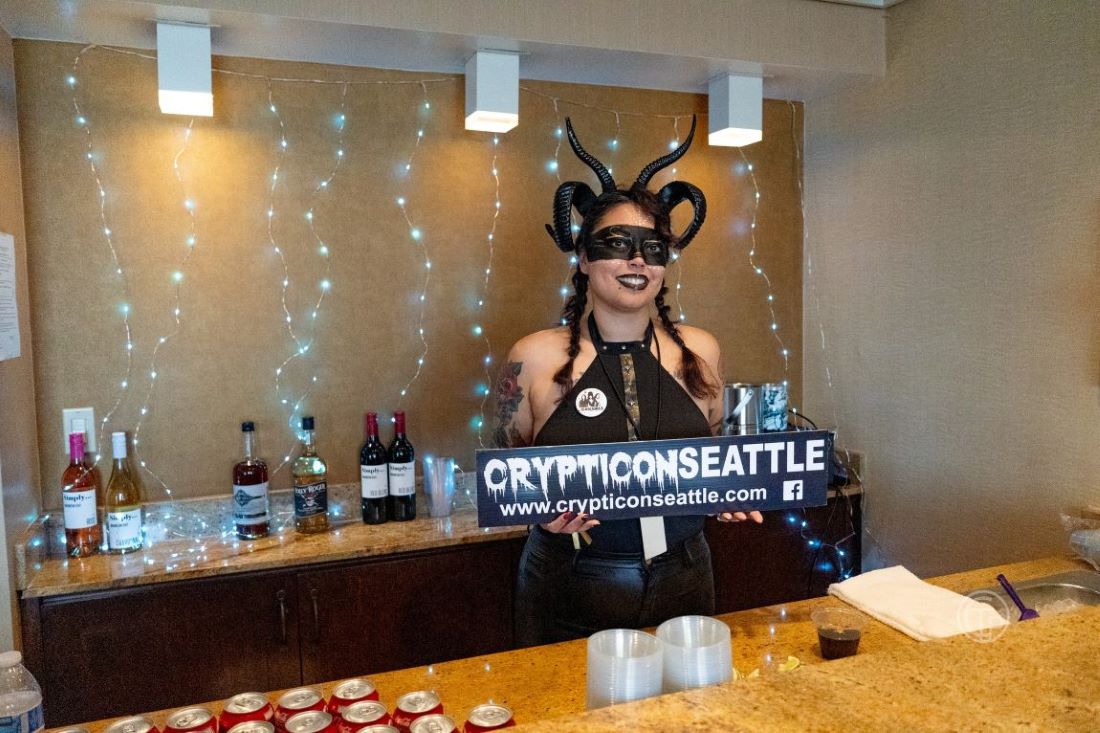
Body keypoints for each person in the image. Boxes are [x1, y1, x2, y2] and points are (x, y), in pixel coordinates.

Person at [492, 117, 763, 647]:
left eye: (654, 247)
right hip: (572, 579)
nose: (637, 259)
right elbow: (501, 465)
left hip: (687, 573)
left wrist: (734, 488)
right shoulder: (534, 356)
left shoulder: (700, 350)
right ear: (585, 256)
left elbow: (721, 450)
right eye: (618, 243)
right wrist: (541, 514)